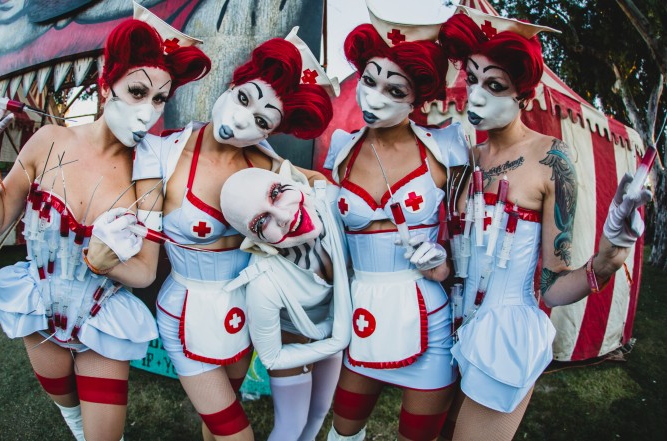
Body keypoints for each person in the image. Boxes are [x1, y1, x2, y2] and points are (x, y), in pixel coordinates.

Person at [0, 13, 210, 441]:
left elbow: (145, 272)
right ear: (105, 86)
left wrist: (102, 263)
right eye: (137, 92)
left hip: (102, 321)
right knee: (73, 417)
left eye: (159, 99)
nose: (148, 112)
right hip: (38, 312)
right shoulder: (49, 141)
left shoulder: (146, 174)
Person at [436, 11, 653, 441]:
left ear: (524, 93)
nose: (476, 95)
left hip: (503, 338)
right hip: (448, 329)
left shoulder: (552, 159)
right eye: (472, 79)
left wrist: (609, 257)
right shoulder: (464, 156)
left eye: (494, 85)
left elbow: (552, 288)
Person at [124, 29, 334, 440]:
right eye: (243, 98)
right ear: (232, 84)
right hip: (186, 314)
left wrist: (320, 195)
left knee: (218, 425)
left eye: (261, 121)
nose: (240, 120)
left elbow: (314, 184)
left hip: (245, 313)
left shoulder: (267, 165)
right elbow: (144, 249)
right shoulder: (160, 154)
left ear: (271, 132)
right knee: (236, 433)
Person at [323, 12, 469, 441]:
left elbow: (469, 238)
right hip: (362, 314)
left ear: (417, 97)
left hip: (428, 315)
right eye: (369, 81)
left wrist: (445, 265)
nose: (375, 97)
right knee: (343, 432)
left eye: (395, 90)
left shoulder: (446, 147)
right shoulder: (341, 150)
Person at [219, 161, 351, 441]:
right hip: (295, 338)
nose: (284, 216)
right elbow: (271, 357)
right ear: (253, 240)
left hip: (332, 325)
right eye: (261, 222)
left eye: (277, 192)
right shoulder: (263, 283)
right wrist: (336, 340)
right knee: (292, 425)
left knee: (319, 411)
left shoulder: (331, 204)